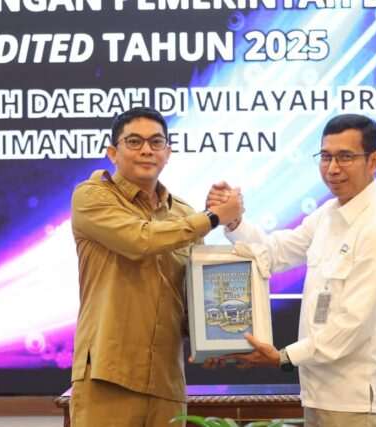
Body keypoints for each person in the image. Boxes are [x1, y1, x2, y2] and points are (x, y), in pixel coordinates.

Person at [206, 114, 376, 427]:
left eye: (345, 157)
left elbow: (353, 325)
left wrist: (284, 357)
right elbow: (274, 252)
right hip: (319, 393)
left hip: (354, 400)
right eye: (326, 156)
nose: (333, 168)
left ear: (374, 161)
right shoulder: (330, 213)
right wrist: (233, 221)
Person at [69, 106, 242, 427]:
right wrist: (213, 217)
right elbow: (140, 240)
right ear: (112, 153)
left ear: (168, 153)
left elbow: (193, 294)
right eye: (134, 142)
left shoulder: (184, 214)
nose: (147, 150)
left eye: (156, 142)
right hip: (109, 377)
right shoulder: (92, 196)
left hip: (166, 381)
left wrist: (214, 340)